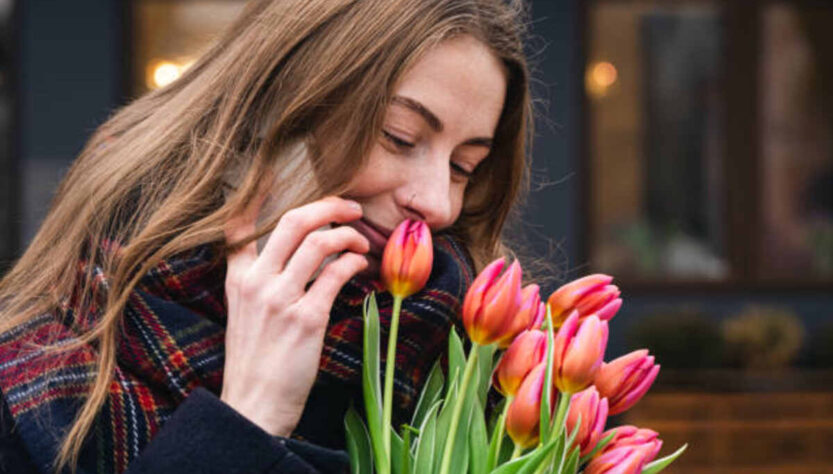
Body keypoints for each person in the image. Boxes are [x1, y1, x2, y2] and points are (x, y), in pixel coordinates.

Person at [0, 0, 532, 472]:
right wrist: (248, 418)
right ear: (272, 118)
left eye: (464, 166)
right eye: (399, 137)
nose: (436, 202)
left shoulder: (482, 386)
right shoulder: (38, 386)